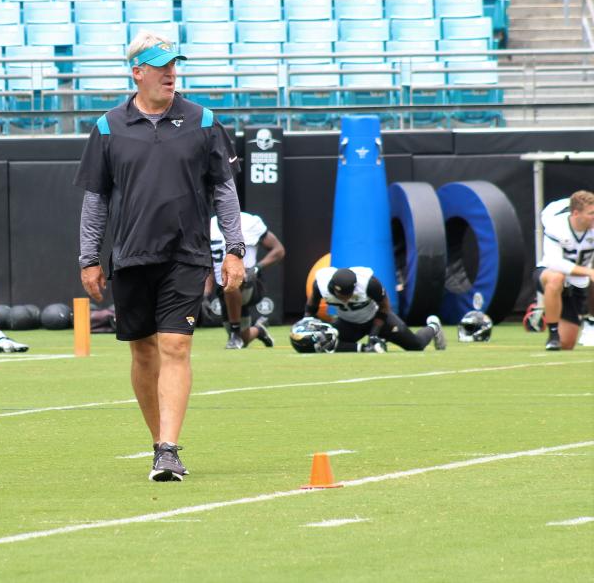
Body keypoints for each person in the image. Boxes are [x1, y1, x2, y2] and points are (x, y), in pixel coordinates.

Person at [74, 31, 245, 482]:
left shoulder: (204, 121)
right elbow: (96, 199)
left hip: (186, 255)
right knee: (144, 353)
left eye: (174, 65)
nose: (171, 73)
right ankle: (157, 443)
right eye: (161, 65)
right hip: (130, 257)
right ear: (138, 72)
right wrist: (88, 258)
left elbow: (225, 193)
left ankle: (169, 448)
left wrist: (234, 250)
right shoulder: (108, 127)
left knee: (175, 344)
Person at [301, 266, 446, 353]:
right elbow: (311, 308)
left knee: (416, 345)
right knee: (324, 344)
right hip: (347, 323)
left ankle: (433, 327)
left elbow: (384, 308)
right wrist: (307, 322)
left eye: (349, 294)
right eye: (342, 296)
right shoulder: (320, 285)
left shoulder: (369, 283)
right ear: (333, 288)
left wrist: (374, 334)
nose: (346, 299)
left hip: (376, 319)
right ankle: (364, 349)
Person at [207, 211, 285, 349]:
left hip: (250, 282)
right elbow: (208, 265)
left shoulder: (249, 221)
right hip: (224, 289)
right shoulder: (209, 226)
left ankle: (235, 335)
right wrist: (205, 295)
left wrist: (256, 268)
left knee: (233, 276)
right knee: (244, 339)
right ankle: (258, 330)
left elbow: (278, 250)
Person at [535, 190, 594, 351]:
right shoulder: (557, 226)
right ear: (575, 213)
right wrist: (589, 272)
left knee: (567, 344)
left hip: (576, 285)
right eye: (591, 213)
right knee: (556, 278)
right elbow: (555, 262)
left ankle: (590, 321)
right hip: (549, 273)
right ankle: (553, 334)